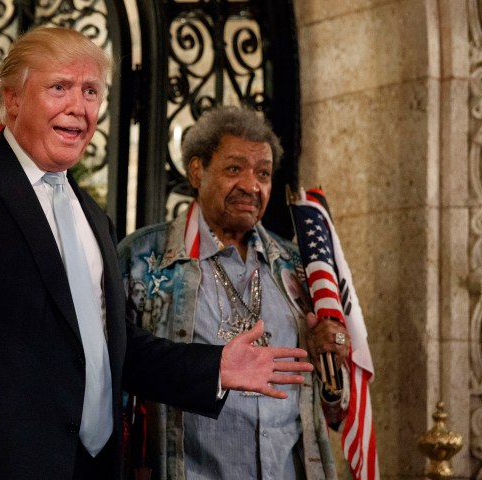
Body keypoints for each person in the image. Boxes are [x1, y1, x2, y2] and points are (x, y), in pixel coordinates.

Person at [0, 27, 313, 480]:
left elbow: (112, 350)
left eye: (90, 92)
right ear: (13, 99)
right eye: (59, 88)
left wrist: (214, 368)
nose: (79, 107)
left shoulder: (93, 217)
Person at [117, 105, 349, 479]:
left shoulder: (297, 266)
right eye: (234, 169)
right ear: (197, 171)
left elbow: (335, 412)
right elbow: (114, 374)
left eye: (263, 174)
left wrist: (334, 360)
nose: (251, 186)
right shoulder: (144, 258)